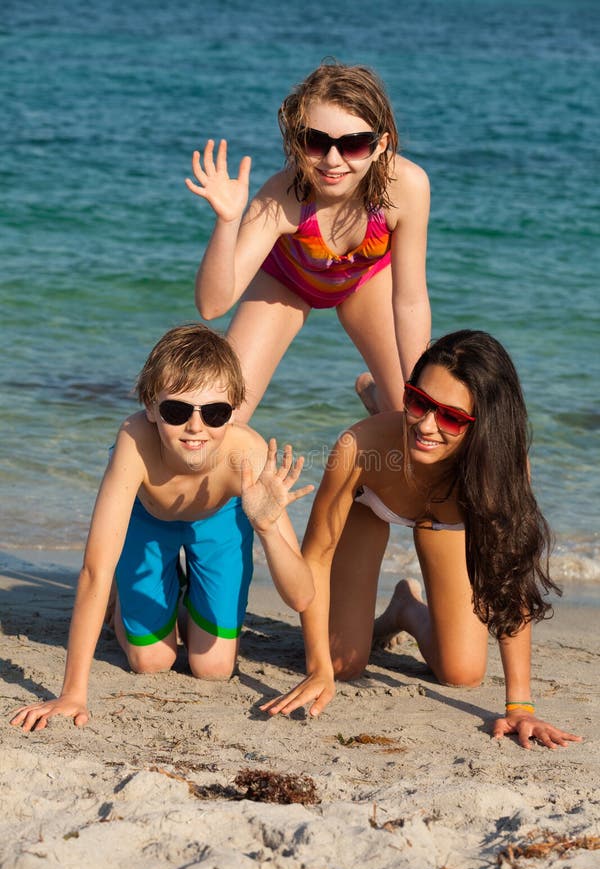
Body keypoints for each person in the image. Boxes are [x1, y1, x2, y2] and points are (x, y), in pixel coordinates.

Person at [261, 330, 582, 751]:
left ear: (484, 425)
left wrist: (519, 704)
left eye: (450, 416)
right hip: (371, 501)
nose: (428, 423)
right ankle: (385, 405)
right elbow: (316, 557)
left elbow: (508, 575)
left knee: (462, 673)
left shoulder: (501, 468)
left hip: (446, 514)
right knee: (345, 664)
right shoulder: (356, 446)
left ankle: (405, 610)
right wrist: (318, 667)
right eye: (419, 400)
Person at [10, 324, 314, 732]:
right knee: (151, 661)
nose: (195, 427)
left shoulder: (248, 455)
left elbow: (301, 597)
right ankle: (133, 599)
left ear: (235, 409)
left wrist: (267, 526)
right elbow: (94, 570)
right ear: (151, 407)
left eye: (215, 412)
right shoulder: (134, 442)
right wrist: (73, 693)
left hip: (219, 523)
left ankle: (186, 595)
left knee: (213, 668)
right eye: (176, 410)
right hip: (148, 521)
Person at [185, 61, 431, 423]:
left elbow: (410, 301)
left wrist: (418, 393)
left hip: (365, 281)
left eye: (354, 145)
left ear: (381, 145)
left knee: (411, 417)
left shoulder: (408, 186)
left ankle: (381, 394)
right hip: (287, 282)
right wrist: (227, 221)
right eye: (315, 142)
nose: (333, 161)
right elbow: (211, 305)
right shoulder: (281, 196)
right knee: (222, 417)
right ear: (296, 139)